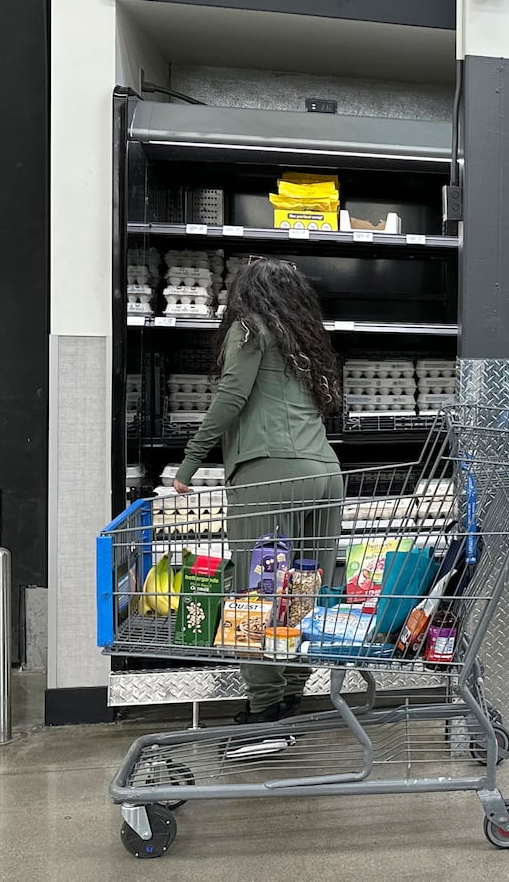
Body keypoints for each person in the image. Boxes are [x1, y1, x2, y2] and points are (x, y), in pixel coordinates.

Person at [172, 257, 343, 724]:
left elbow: (230, 398)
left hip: (270, 475)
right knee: (305, 590)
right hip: (325, 474)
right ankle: (290, 693)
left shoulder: (249, 328)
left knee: (257, 590)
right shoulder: (305, 342)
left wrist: (190, 461)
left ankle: (265, 707)